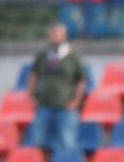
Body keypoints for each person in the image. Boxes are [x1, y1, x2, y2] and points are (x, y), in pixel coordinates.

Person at [26, 23, 85, 153]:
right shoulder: (43, 55)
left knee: (67, 142)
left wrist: (76, 101)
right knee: (38, 141)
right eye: (52, 34)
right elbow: (33, 75)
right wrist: (30, 96)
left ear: (64, 36)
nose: (54, 37)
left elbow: (80, 80)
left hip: (65, 106)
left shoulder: (72, 55)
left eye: (57, 34)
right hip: (44, 105)